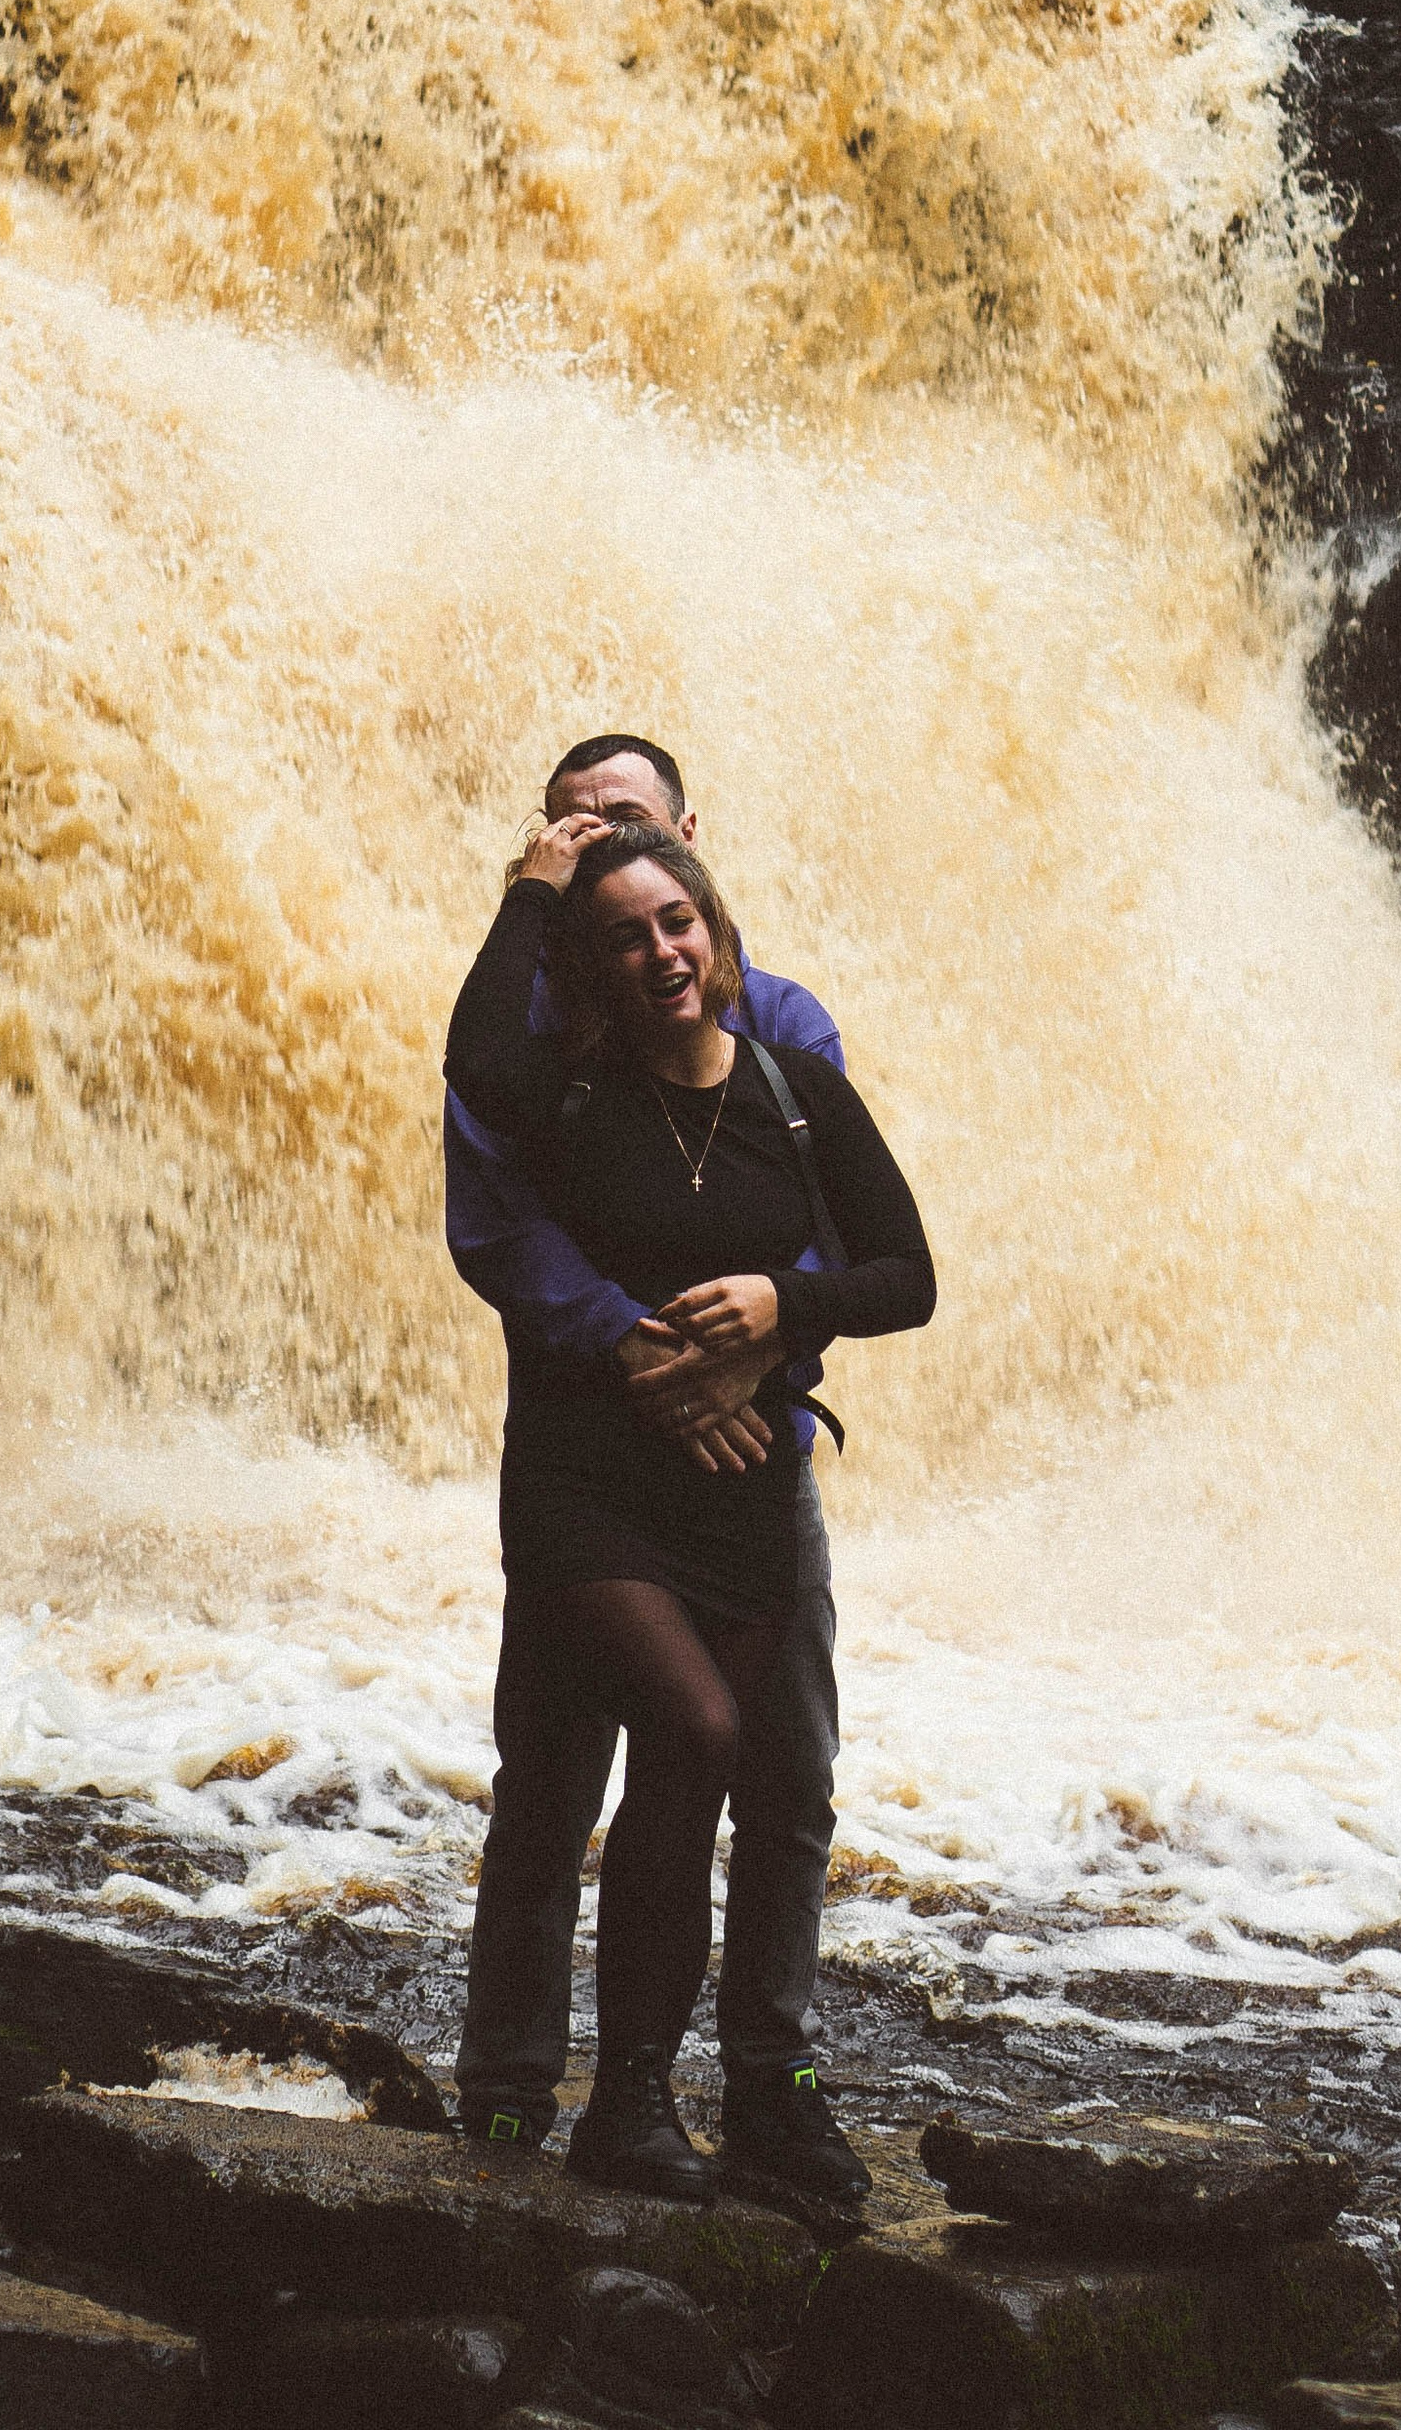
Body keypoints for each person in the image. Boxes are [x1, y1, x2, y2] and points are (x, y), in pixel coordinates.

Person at [445, 807, 934, 2204]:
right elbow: (473, 1060)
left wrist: (788, 1306)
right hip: (587, 1483)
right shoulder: (569, 1091)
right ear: (587, 966)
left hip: (736, 1493)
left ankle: (638, 2105)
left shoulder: (795, 1089)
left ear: (716, 932)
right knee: (694, 1727)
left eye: (677, 922)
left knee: (692, 1777)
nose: (659, 951)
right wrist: (532, 894)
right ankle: (557, 2091)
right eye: (622, 938)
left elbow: (907, 1276)